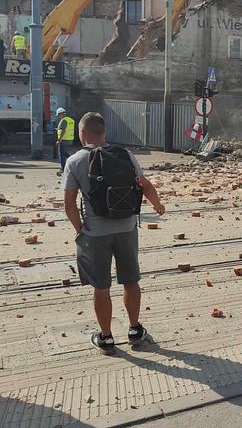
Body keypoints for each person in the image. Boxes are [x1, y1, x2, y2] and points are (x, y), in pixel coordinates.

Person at [63, 111, 165, 353]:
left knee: (101, 287)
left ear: (82, 134)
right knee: (131, 281)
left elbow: (68, 204)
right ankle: (135, 330)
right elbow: (145, 185)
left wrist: (80, 229)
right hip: (127, 228)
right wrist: (158, 205)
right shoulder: (125, 155)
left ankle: (107, 337)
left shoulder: (74, 161)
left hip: (95, 234)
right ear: (104, 133)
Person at [56, 106, 76, 174]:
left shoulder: (64, 120)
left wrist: (59, 140)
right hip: (70, 139)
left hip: (63, 140)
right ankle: (73, 161)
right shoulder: (71, 120)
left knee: (61, 154)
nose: (59, 117)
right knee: (65, 153)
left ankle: (63, 168)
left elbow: (63, 131)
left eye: (59, 115)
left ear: (61, 114)